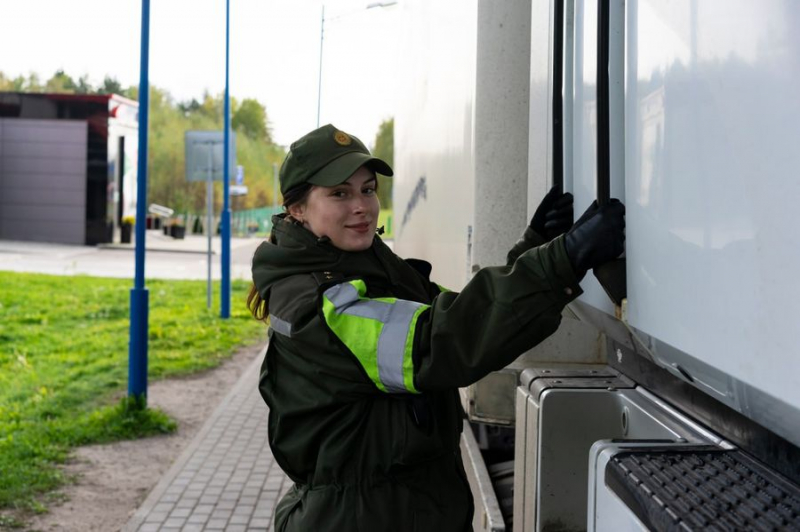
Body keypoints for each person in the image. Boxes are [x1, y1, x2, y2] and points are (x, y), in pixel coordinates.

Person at [249, 124, 625, 532]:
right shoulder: (318, 304)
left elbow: (457, 312)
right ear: (297, 209)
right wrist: (559, 262)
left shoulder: (370, 267)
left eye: (368, 189)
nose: (361, 206)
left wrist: (532, 248)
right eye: (339, 193)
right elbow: (437, 341)